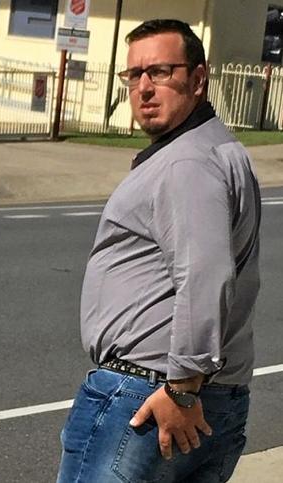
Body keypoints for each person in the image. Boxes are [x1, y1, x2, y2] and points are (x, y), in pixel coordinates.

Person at [56, 19, 261, 483]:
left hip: (150, 397)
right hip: (209, 394)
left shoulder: (187, 161)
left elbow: (206, 276)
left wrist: (183, 389)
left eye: (161, 72)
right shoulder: (221, 150)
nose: (144, 88)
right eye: (134, 75)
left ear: (198, 78)